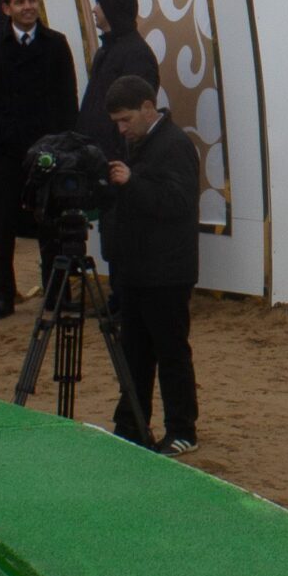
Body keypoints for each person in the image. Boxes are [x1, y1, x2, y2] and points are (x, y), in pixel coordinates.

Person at [0, 0, 79, 316]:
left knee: (51, 223)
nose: (27, 7)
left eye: (32, 0)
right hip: (7, 149)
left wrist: (63, 143)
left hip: (47, 149)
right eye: (20, 2)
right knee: (3, 223)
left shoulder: (56, 44)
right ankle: (3, 294)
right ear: (6, 8)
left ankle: (56, 293)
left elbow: (67, 98)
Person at [102, 75, 201, 455]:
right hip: (139, 268)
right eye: (117, 123)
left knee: (170, 351)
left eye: (126, 119)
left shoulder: (174, 144)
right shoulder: (142, 143)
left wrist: (131, 182)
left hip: (167, 271)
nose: (122, 129)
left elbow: (177, 202)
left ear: (148, 108)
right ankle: (131, 424)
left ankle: (182, 430)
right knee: (135, 353)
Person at [75, 0, 153, 158]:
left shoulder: (137, 54)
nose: (94, 10)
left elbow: (134, 110)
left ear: (112, 8)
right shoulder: (106, 50)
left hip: (114, 158)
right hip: (93, 153)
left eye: (98, 3)